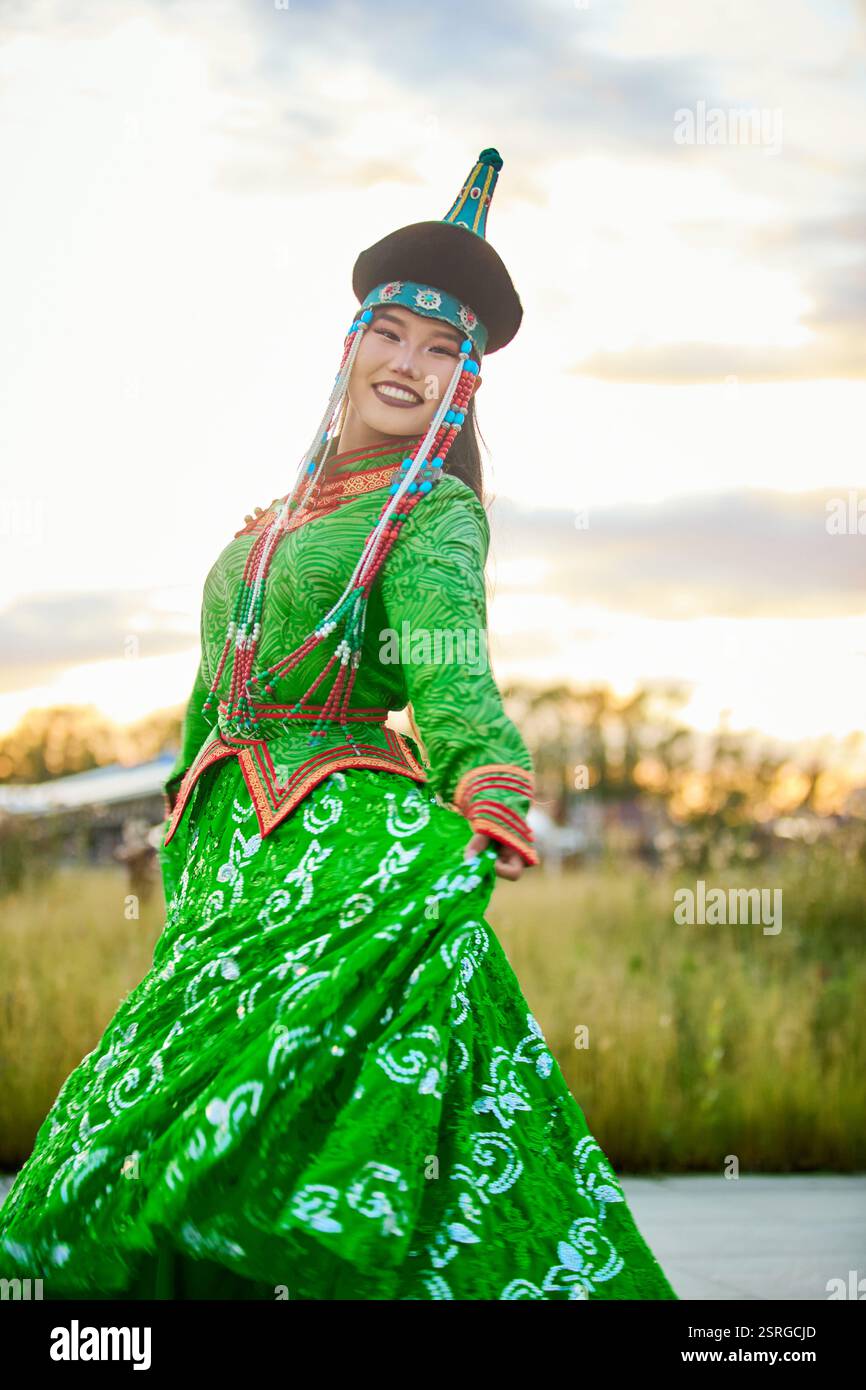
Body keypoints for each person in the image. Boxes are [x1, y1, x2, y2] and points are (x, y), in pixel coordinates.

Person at [0, 150, 678, 1301]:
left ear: (462, 387)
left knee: (181, 1146)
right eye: (393, 332)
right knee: (160, 1121)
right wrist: (175, 813)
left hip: (342, 851)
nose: (410, 363)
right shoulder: (276, 517)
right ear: (350, 343)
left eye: (443, 350)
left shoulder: (430, 511)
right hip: (230, 861)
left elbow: (450, 659)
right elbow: (212, 693)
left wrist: (487, 779)